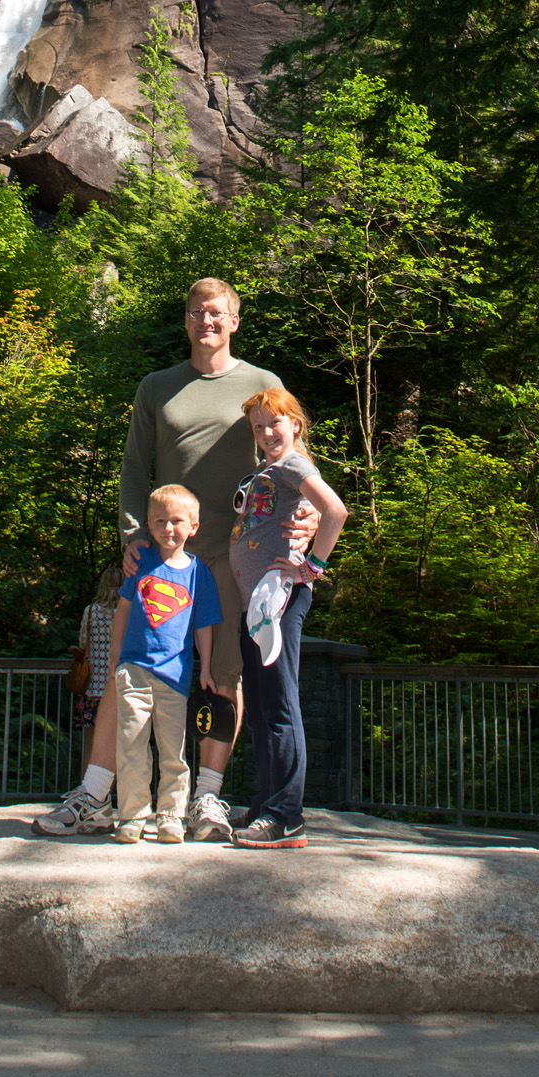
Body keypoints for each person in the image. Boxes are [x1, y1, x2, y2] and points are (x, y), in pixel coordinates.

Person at [33, 276, 315, 840]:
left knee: (224, 676)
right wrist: (133, 536)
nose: (206, 321)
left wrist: (306, 515)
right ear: (185, 320)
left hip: (238, 558)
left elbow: (292, 450)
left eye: (217, 313)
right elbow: (135, 467)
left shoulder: (262, 383)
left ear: (234, 321)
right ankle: (95, 795)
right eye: (196, 312)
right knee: (129, 667)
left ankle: (206, 799)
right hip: (165, 555)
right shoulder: (157, 386)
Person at [229, 389, 348, 849]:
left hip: (280, 600)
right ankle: (266, 804)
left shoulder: (294, 465)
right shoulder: (267, 470)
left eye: (274, 423)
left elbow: (335, 510)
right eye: (258, 427)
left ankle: (287, 816)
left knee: (279, 703)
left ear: (295, 424)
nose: (266, 433)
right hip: (256, 605)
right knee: (260, 707)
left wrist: (311, 568)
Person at [108, 484, 220, 842]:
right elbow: (123, 609)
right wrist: (116, 656)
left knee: (174, 749)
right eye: (159, 521)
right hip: (135, 669)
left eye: (176, 521)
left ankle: (172, 815)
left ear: (193, 526)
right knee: (131, 744)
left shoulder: (199, 572)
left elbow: (204, 624)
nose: (168, 528)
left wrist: (205, 668)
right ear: (148, 525)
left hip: (175, 675)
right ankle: (132, 815)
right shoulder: (141, 561)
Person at [75, 566, 121, 772]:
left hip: (92, 686)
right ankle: (114, 787)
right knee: (118, 743)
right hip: (117, 687)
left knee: (90, 743)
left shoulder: (91, 611)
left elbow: (83, 642)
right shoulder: (125, 613)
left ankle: (87, 783)